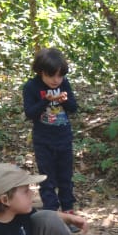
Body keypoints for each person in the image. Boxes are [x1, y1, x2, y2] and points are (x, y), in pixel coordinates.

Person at [22, 48, 79, 215]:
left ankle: (68, 210)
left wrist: (65, 101)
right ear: (41, 72)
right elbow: (30, 113)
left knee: (65, 176)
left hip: (63, 137)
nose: (56, 80)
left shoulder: (64, 84)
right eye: (52, 76)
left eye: (60, 76)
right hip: (43, 139)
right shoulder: (31, 87)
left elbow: (74, 108)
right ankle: (52, 212)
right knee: (47, 178)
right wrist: (45, 101)